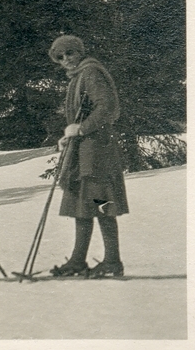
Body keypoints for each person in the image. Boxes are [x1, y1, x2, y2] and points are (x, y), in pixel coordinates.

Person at [48, 35, 128, 278]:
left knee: (101, 204)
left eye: (70, 53)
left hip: (97, 150)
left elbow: (107, 106)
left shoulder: (91, 72)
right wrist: (70, 134)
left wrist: (81, 128)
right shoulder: (78, 75)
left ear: (79, 52)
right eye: (60, 57)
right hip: (84, 149)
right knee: (82, 203)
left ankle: (112, 261)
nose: (66, 60)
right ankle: (78, 260)